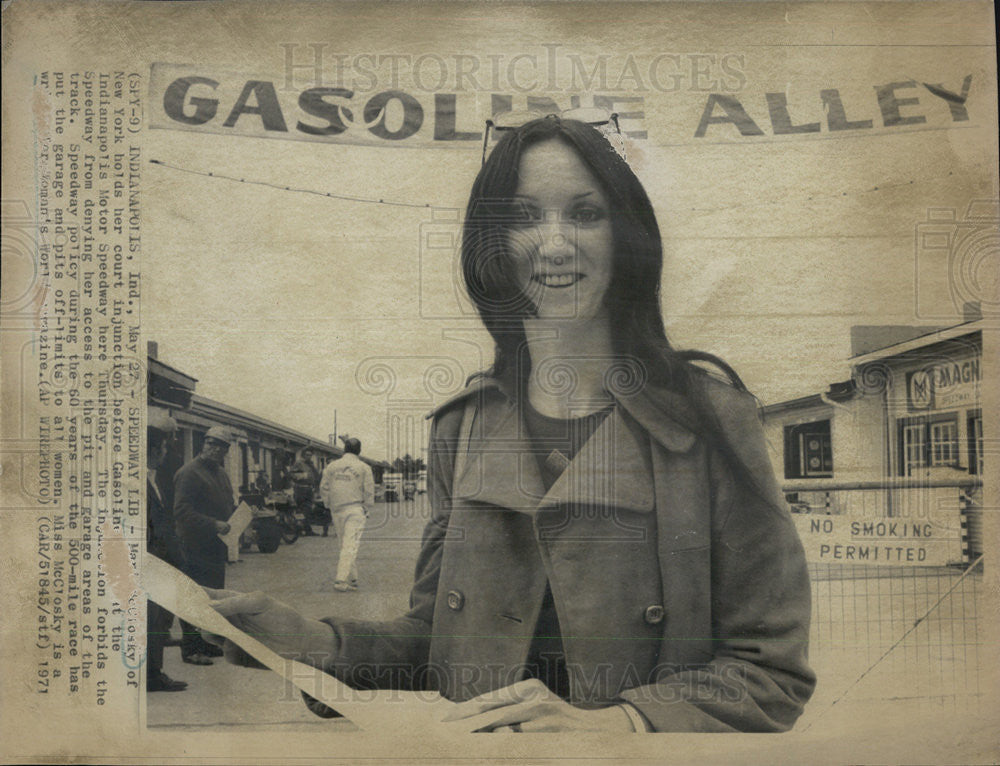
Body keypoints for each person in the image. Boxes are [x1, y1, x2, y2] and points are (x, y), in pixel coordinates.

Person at [207, 114, 815, 732]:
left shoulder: (712, 421)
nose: (554, 245)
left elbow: (769, 672)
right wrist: (316, 643)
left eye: (585, 213)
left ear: (625, 235)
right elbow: (440, 640)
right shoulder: (461, 429)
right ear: (491, 247)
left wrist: (620, 726)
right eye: (524, 218)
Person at [174, 426, 234, 665]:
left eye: (219, 445)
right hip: (193, 546)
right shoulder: (189, 473)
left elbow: (227, 502)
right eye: (209, 443)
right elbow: (181, 511)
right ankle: (190, 648)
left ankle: (206, 644)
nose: (213, 448)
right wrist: (214, 524)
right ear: (203, 444)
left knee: (212, 597)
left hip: (215, 547)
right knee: (192, 597)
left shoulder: (220, 474)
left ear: (226, 451)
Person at [146, 408, 187, 692]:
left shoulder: (151, 477)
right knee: (152, 617)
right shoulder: (142, 480)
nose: (164, 453)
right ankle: (152, 674)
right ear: (151, 449)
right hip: (151, 561)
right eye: (161, 447)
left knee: (155, 618)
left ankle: (150, 671)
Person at [318, 437, 374, 591]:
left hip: (337, 509)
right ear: (359, 450)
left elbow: (324, 487)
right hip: (355, 508)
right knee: (350, 544)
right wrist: (367, 506)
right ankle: (340, 580)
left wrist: (328, 504)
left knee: (344, 543)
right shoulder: (364, 467)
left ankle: (353, 577)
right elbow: (369, 490)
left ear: (344, 450)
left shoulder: (332, 466)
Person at [290, 446, 324, 536]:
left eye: (310, 455)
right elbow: (293, 475)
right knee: (301, 510)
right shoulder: (299, 463)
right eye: (307, 455)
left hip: (309, 489)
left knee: (308, 510)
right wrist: (304, 476)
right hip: (301, 488)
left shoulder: (311, 464)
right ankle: (299, 529)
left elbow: (316, 476)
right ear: (303, 455)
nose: (308, 456)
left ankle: (307, 529)